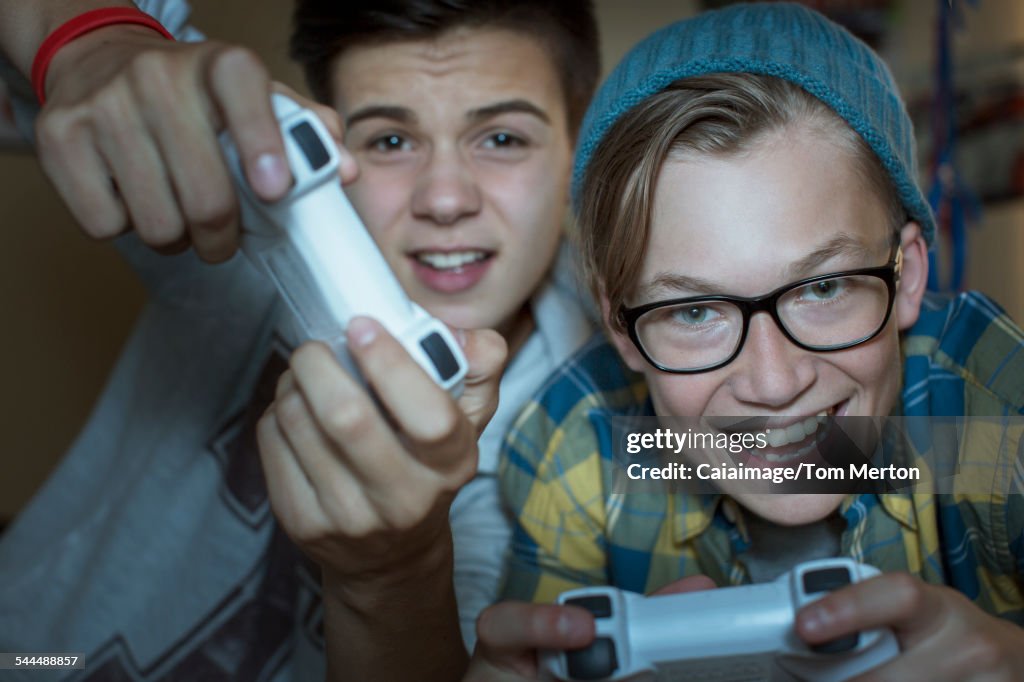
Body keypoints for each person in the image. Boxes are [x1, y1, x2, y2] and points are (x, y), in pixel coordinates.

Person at [0, 1, 599, 680]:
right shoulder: (248, 234)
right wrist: (97, 43)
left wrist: (392, 574)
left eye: (501, 139)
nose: (444, 199)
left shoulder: (614, 407)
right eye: (390, 142)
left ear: (580, 149)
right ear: (332, 144)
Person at [467, 3, 1024, 680]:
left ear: (907, 276)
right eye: (695, 311)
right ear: (623, 332)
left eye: (823, 288)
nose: (773, 382)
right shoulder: (582, 449)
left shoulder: (999, 411)